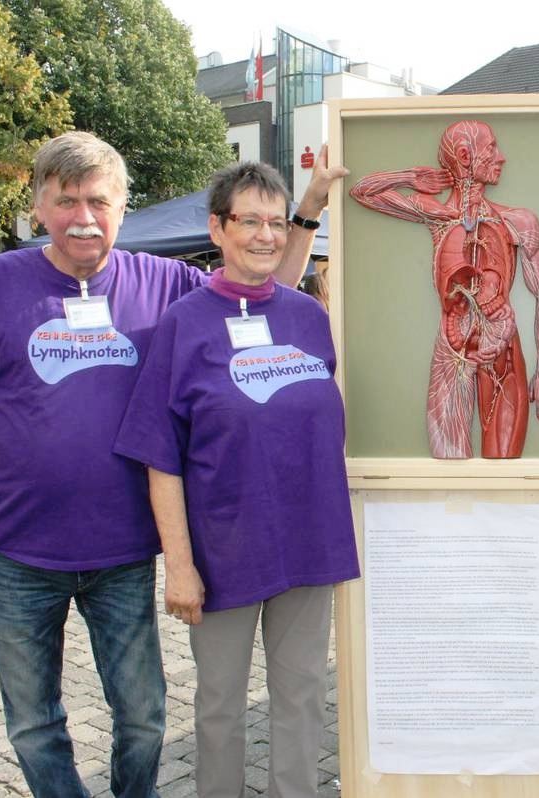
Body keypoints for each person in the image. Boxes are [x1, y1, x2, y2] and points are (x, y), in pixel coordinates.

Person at [0, 131, 344, 798]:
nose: (84, 217)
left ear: (121, 208)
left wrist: (307, 210)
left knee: (143, 718)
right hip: (17, 547)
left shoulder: (162, 282)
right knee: (33, 723)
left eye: (99, 202)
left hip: (123, 549)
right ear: (38, 207)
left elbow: (261, 284)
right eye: (67, 201)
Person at [115, 161, 359, 798]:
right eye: (249, 221)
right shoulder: (184, 322)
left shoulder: (307, 316)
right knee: (220, 706)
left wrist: (312, 203)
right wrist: (179, 565)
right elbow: (160, 455)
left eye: (275, 223)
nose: (265, 235)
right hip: (224, 549)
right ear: (217, 228)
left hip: (308, 542)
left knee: (303, 696)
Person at [350, 119, 539, 459]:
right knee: (450, 466)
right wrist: (410, 177)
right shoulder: (438, 214)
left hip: (502, 347)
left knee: (505, 467)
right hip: (452, 348)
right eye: (491, 148)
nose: (501, 157)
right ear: (464, 156)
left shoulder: (517, 222)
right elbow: (361, 191)